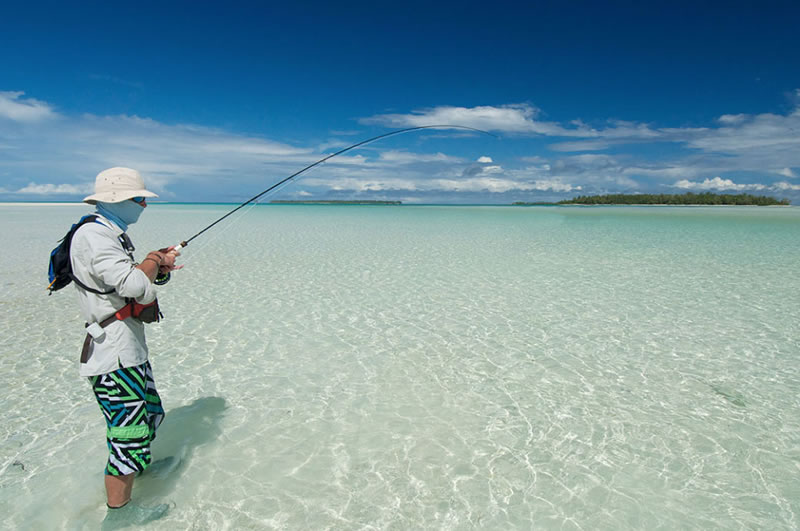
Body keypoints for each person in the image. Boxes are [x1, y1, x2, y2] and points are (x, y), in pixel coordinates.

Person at [71, 167, 180, 526]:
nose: (145, 205)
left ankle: (140, 471)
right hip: (113, 355)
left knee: (148, 416)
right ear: (118, 200)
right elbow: (134, 286)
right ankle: (119, 515)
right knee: (127, 435)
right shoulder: (94, 236)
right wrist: (153, 259)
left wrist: (156, 268)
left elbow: (129, 281)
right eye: (140, 198)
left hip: (128, 350)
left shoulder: (108, 233)